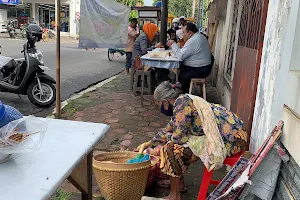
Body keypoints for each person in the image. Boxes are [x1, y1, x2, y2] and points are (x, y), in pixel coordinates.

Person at [136, 81, 248, 200]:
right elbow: (169, 128)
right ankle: (178, 183)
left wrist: (163, 142)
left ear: (165, 102)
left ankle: (174, 195)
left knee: (171, 149)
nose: (158, 107)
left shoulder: (182, 105)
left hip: (233, 139)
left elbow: (178, 138)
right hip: (233, 134)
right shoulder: (182, 101)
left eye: (157, 104)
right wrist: (150, 143)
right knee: (173, 144)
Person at [167, 23, 212, 93]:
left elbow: (180, 56)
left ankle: (185, 94)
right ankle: (181, 87)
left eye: (184, 32)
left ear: (190, 33)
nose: (183, 35)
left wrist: (173, 44)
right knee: (181, 67)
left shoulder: (193, 40)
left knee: (182, 75)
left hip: (201, 69)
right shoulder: (199, 36)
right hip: (205, 67)